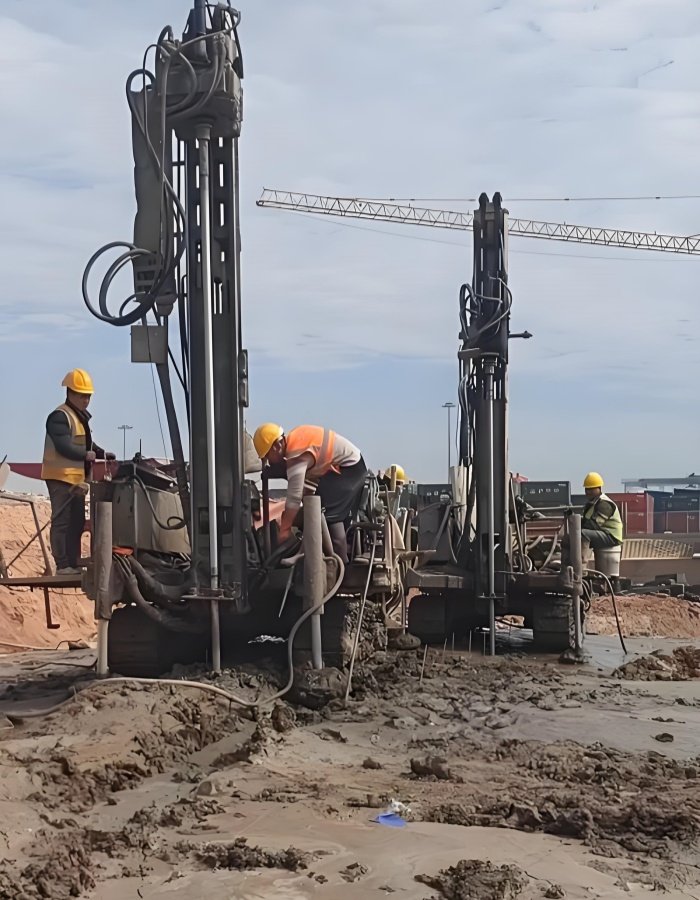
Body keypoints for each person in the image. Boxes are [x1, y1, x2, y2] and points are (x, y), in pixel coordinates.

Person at [253, 423, 367, 562]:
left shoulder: (297, 454)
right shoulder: (296, 441)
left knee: (328, 514)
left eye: (267, 456)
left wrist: (284, 529)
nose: (268, 461)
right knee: (319, 510)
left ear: (277, 446)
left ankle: (341, 565)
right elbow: (305, 487)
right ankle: (312, 553)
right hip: (343, 467)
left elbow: (294, 498)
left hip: (349, 469)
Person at [41, 369, 115, 574]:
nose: (86, 400)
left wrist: (101, 452)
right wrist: (85, 455)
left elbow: (86, 442)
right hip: (59, 477)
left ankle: (72, 563)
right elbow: (64, 446)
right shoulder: (59, 416)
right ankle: (62, 565)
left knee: (77, 520)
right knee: (62, 520)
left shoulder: (78, 417)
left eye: (88, 396)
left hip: (76, 479)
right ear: (70, 393)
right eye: (82, 395)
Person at [580, 472, 624, 551]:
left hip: (611, 537)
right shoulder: (591, 504)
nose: (588, 492)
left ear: (599, 488)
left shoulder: (605, 504)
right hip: (603, 533)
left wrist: (577, 527)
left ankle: (581, 561)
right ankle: (565, 561)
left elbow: (594, 525)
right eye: (586, 489)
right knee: (568, 538)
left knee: (582, 534)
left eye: (591, 489)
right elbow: (585, 522)